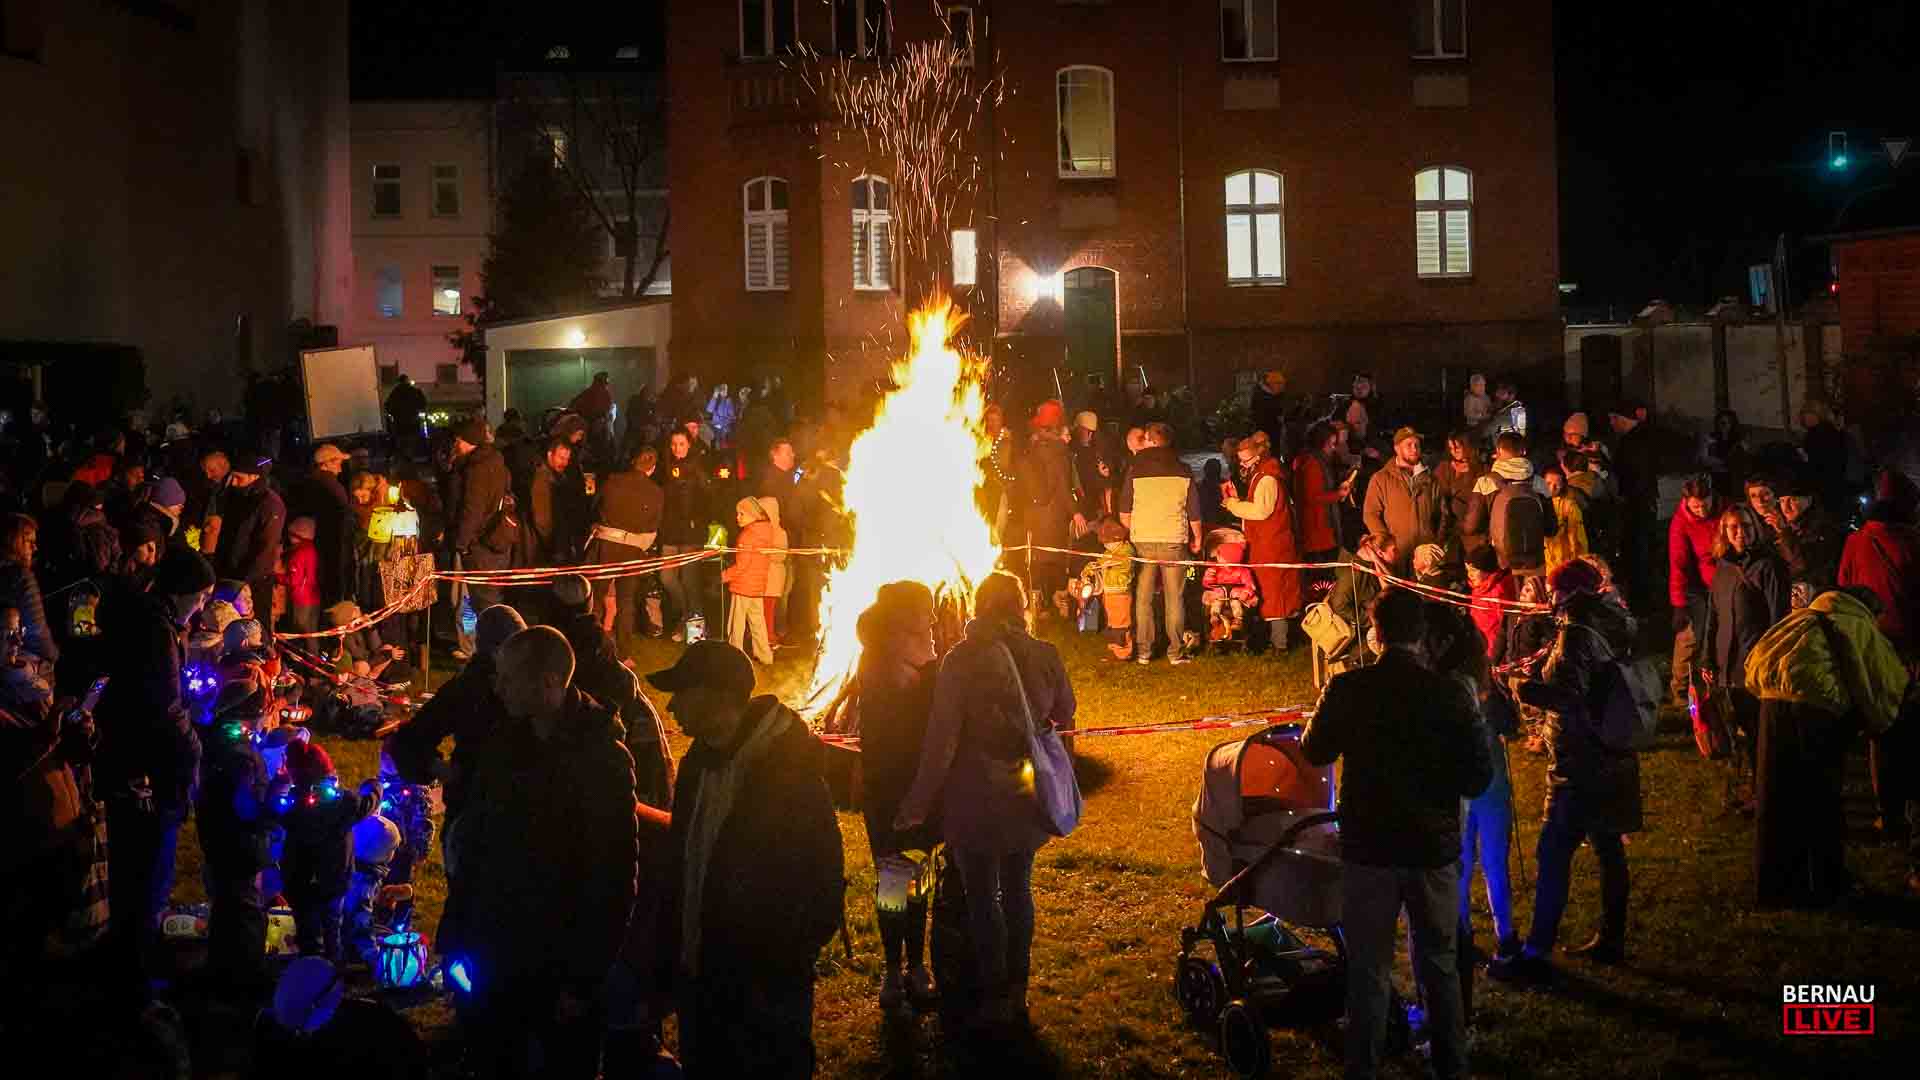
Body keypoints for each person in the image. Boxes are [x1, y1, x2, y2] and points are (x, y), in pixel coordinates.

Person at [1300, 589, 1490, 1080]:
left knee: (1368, 971)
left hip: (1371, 850)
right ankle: (1452, 1065)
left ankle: (1362, 1067)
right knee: (1440, 965)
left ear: (1377, 631)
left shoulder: (1350, 689)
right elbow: (1478, 777)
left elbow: (1314, 750)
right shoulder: (1448, 693)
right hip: (1431, 849)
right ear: (1422, 634)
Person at [446, 626, 639, 1080]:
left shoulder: (600, 759)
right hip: (497, 951)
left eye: (510, 678)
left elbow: (611, 875)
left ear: (550, 682)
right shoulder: (505, 744)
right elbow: (478, 845)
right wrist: (458, 932)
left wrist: (584, 978)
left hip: (558, 959)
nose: (500, 687)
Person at [648, 640, 844, 1079]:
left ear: (719, 697)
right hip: (703, 977)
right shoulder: (699, 763)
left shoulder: (787, 771)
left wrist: (783, 957)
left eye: (684, 691)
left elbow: (822, 875)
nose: (673, 704)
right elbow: (685, 860)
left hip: (764, 987)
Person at [898, 571, 1075, 1028]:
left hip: (974, 796)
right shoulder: (1044, 654)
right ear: (1019, 605)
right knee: (1018, 889)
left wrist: (919, 800)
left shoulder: (960, 660)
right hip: (1025, 790)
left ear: (977, 606)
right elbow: (1066, 710)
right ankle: (1018, 989)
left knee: (982, 898)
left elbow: (942, 740)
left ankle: (994, 993)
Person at [1492, 559, 1639, 983]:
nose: (1550, 599)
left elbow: (1569, 695)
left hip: (1579, 762)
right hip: (1614, 752)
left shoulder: (1577, 632)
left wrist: (1523, 686)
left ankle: (1536, 951)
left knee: (1553, 853)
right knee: (1609, 849)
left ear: (1570, 592)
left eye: (1557, 591)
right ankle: (1612, 938)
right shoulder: (1616, 621)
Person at [95, 546, 214, 1007]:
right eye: (200, 595)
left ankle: (129, 961)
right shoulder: (155, 630)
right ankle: (137, 979)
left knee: (137, 867)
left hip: (134, 759)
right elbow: (162, 706)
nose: (202, 605)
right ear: (182, 591)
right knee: (148, 870)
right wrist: (192, 745)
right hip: (147, 766)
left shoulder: (152, 620)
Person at [1743, 587, 1909, 908]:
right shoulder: (1856, 624)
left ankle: (1773, 885)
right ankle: (1826, 881)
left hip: (1773, 704)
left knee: (1775, 797)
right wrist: (1881, 721)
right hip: (1817, 711)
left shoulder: (1799, 620)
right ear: (1869, 608)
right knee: (1821, 798)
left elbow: (1756, 659)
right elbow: (1886, 682)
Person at [853, 583, 941, 1011]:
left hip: (915, 798)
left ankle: (915, 965)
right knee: (894, 882)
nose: (932, 623)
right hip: (892, 798)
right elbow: (887, 749)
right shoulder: (881, 679)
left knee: (917, 882)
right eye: (925, 615)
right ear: (901, 627)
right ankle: (894, 969)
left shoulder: (920, 672)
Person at [1702, 505, 1790, 812]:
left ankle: (1764, 792)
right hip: (1727, 664)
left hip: (1754, 663)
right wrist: (1706, 658)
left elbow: (1779, 618)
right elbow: (1713, 616)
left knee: (1759, 733)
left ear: (1756, 529)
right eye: (1733, 528)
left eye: (1746, 527)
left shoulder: (1769, 567)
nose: (1740, 533)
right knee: (1738, 731)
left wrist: (1768, 660)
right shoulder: (1723, 569)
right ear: (1724, 533)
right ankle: (1749, 787)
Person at [197, 682, 275, 994]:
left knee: (223, 911)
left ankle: (219, 971)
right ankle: (247, 980)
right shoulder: (244, 758)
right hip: (240, 849)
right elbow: (246, 809)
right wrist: (276, 800)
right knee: (245, 914)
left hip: (215, 843)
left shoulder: (213, 742)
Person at [278, 738, 367, 964]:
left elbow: (274, 813)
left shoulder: (290, 804)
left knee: (307, 928)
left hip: (299, 878)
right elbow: (363, 805)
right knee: (332, 924)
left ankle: (309, 968)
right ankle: (332, 969)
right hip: (334, 876)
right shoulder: (344, 803)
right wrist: (375, 787)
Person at [1120, 422, 1201, 665]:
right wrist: (1196, 538)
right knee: (1174, 597)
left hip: (1143, 540)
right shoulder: (1183, 469)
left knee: (1143, 596)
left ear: (1152, 440)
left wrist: (1134, 529)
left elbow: (1124, 510)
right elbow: (1194, 510)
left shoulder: (1135, 467)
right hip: (1173, 539)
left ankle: (1144, 651)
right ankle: (1175, 652)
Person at [1222, 430, 1302, 649]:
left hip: (1272, 544)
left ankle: (1280, 643)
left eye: (1246, 460)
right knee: (1270, 591)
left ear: (1258, 455)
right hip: (1267, 543)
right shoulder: (1264, 474)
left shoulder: (1267, 478)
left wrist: (1233, 505)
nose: (1243, 465)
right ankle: (1274, 640)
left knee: (1276, 594)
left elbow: (1261, 511)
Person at [446, 418, 514, 657]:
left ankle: (480, 649)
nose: (456, 443)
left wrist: (461, 543)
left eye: (459, 439)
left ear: (468, 440)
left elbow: (471, 509)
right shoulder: (496, 461)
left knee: (471, 600)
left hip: (478, 546)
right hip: (497, 541)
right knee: (486, 599)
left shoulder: (474, 469)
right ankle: (482, 646)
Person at [593, 445, 665, 642]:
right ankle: (624, 652)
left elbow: (596, 506)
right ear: (652, 468)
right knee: (626, 601)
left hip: (606, 546)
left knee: (597, 596)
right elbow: (654, 524)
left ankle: (590, 641)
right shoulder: (656, 492)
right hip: (633, 549)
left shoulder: (613, 481)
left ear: (633, 461)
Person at [1463, 433, 1557, 578]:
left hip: (1501, 563)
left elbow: (1471, 527)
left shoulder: (1486, 482)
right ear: (1523, 451)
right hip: (1535, 563)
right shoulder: (1539, 482)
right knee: (1532, 597)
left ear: (1498, 450)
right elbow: (1551, 529)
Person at [214, 452, 285, 632]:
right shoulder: (235, 498)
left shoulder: (270, 504)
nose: (234, 482)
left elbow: (265, 547)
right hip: (228, 576)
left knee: (255, 630)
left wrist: (244, 581)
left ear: (255, 477)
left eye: (239, 478)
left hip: (252, 582)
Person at [1018, 405, 1078, 617]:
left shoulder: (1032, 447)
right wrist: (1075, 511)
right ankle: (1060, 599)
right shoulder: (1059, 452)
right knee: (1058, 559)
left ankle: (1035, 602)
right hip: (1053, 513)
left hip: (1033, 513)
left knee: (1037, 559)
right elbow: (1063, 485)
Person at [1362, 426, 1446, 577]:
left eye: (1417, 445)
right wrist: (1386, 545)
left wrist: (1436, 543)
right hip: (1398, 556)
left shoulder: (1430, 479)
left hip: (1425, 558)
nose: (1414, 449)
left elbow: (1442, 514)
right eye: (1408, 445)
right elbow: (1370, 514)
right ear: (1396, 448)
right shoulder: (1381, 479)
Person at [1668, 477, 1721, 704]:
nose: (1701, 510)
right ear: (1687, 502)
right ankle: (1680, 690)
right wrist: (1679, 605)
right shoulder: (1681, 522)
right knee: (1690, 636)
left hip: (1724, 580)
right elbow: (1678, 564)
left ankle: (1718, 687)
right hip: (1696, 585)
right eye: (1696, 506)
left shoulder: (1726, 511)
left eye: (1705, 504)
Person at [286, 443, 356, 608]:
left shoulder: (310, 483)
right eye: (337, 463)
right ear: (326, 464)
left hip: (314, 548)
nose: (340, 469)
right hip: (331, 549)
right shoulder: (331, 486)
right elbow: (340, 523)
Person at [657, 430, 710, 638]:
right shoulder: (665, 467)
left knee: (690, 581)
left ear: (689, 444)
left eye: (681, 443)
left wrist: (698, 520)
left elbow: (708, 497)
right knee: (666, 577)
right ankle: (686, 616)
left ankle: (695, 632)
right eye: (673, 444)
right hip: (669, 530)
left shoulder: (698, 466)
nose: (677, 448)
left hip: (690, 531)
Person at [1770, 474, 1847, 608]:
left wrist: (1784, 533)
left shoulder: (1824, 531)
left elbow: (1802, 565)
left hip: (1817, 603)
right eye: (1782, 501)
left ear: (1809, 500)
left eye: (1792, 500)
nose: (1786, 507)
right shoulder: (1786, 529)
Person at [720, 497, 778, 664]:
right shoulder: (767, 531)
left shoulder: (747, 535)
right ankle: (765, 656)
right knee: (758, 624)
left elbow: (742, 566)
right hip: (757, 587)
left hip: (743, 587)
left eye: (741, 514)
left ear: (752, 515)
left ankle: (734, 658)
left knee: (736, 625)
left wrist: (723, 576)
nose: (737, 517)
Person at [0, 513, 56, 668]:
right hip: (18, 663)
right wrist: (52, 655)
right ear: (14, 542)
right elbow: (36, 630)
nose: (35, 547)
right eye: (29, 541)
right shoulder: (21, 576)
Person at [1292, 421, 1351, 566]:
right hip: (1317, 530)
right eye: (1330, 444)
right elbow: (1312, 496)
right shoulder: (1312, 463)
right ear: (1320, 443)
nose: (1333, 448)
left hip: (1318, 529)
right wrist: (1339, 494)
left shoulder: (1314, 460)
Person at [528, 437, 580, 570]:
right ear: (550, 455)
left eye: (567, 459)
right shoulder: (542, 480)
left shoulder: (558, 477)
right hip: (549, 547)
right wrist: (553, 543)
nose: (565, 463)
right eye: (561, 458)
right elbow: (541, 518)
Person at [1435, 431, 1486, 557]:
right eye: (1451, 448)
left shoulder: (1481, 470)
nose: (1454, 451)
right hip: (1451, 534)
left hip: (1476, 535)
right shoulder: (1445, 469)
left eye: (1457, 447)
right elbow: (1439, 500)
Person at [1801, 400, 1854, 519]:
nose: (1805, 417)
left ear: (1817, 415)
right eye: (1805, 414)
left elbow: (1817, 460)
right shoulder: (1832, 432)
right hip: (1835, 482)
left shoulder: (1818, 433)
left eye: (1809, 413)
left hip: (1824, 483)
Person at [1465, 544, 1516, 668]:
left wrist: (1496, 657)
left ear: (1487, 569)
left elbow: (1505, 627)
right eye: (1467, 570)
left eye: (1474, 570)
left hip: (1494, 653)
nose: (1469, 574)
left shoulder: (1499, 592)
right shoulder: (1479, 587)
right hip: (1481, 648)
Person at [1541, 464, 1589, 575]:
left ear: (1563, 485)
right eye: (1548, 483)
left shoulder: (1569, 505)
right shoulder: (1536, 501)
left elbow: (1578, 538)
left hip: (1562, 563)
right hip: (1542, 563)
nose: (1552, 488)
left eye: (1556, 485)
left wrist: (1578, 563)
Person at [1699, 409, 1749, 500]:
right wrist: (1722, 462)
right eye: (1722, 422)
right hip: (1715, 477)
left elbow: (1745, 458)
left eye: (1728, 422)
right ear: (1717, 423)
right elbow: (1704, 459)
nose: (1725, 425)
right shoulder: (1710, 439)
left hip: (1735, 479)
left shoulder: (1739, 440)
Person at [284, 516, 322, 634]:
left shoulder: (298, 553)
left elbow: (293, 580)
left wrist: (275, 577)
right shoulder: (312, 549)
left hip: (301, 599)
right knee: (312, 635)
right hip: (314, 596)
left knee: (300, 634)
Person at [385, 375, 429, 457]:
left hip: (399, 423)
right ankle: (411, 456)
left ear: (399, 382)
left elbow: (388, 406)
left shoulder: (395, 392)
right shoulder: (415, 391)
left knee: (401, 442)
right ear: (407, 381)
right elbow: (423, 404)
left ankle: (401, 456)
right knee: (412, 441)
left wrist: (394, 414)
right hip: (413, 422)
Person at [1250, 370, 1289, 458]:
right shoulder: (1261, 397)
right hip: (1264, 433)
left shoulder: (1276, 396)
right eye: (1279, 384)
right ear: (1271, 384)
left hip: (1274, 433)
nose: (1282, 387)